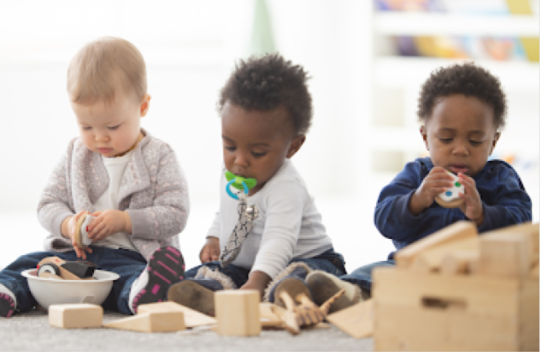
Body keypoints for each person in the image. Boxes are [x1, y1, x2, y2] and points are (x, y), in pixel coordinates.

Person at [312, 62, 533, 302]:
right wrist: (416, 200)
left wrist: (482, 214)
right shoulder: (417, 174)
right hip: (414, 267)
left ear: (493, 142)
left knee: (510, 289)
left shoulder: (500, 177)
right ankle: (348, 294)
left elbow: (522, 227)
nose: (460, 149)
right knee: (374, 273)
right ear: (426, 137)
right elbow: (384, 220)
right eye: (447, 138)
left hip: (475, 272)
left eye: (476, 141)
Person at [0, 37, 189, 318]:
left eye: (112, 126)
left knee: (128, 279)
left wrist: (125, 221)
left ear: (143, 107)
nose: (99, 136)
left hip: (132, 257)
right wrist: (67, 224)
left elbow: (176, 214)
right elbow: (48, 204)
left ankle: (144, 293)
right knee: (31, 265)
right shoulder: (75, 153)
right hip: (75, 257)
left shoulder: (160, 155)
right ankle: (10, 290)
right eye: (86, 125)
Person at [164, 53, 352, 315]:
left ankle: (296, 293)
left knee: (291, 278)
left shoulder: (286, 187)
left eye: (258, 152)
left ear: (293, 147)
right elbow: (228, 208)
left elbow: (279, 240)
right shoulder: (233, 170)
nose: (240, 161)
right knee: (206, 274)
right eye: (229, 146)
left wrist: (257, 282)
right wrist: (214, 237)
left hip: (307, 260)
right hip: (247, 265)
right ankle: (209, 294)